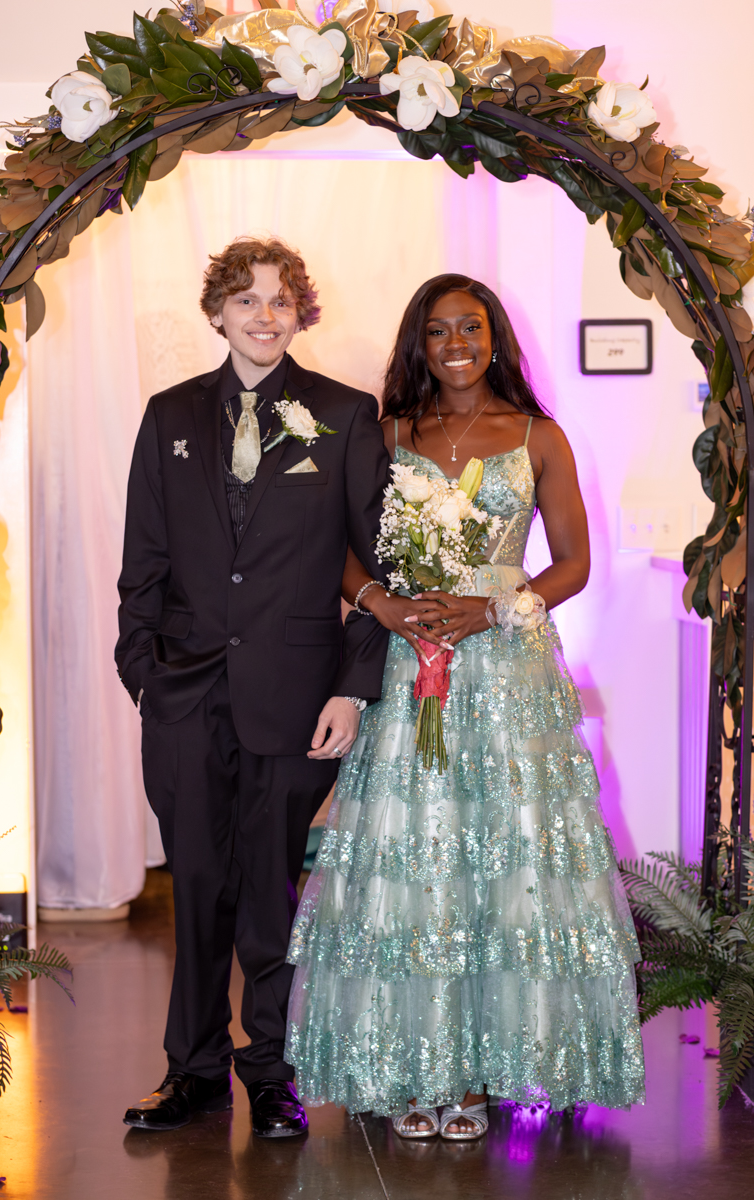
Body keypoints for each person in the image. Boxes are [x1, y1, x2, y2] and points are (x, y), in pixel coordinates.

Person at [284, 274, 645, 1140]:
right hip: (412, 662)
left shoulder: (538, 436)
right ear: (419, 341)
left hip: (508, 666)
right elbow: (339, 547)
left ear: (495, 339)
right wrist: (384, 605)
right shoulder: (386, 435)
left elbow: (572, 563)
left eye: (471, 328)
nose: (455, 343)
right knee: (418, 856)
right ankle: (417, 1065)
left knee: (504, 856)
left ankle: (479, 1076)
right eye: (438, 329)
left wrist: (492, 608)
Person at [115, 237, 391, 1138]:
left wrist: (352, 688)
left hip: (297, 695)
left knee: (270, 892)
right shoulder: (169, 416)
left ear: (300, 313)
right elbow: (143, 566)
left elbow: (382, 569)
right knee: (196, 887)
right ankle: (190, 1069)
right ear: (217, 313)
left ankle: (269, 1072)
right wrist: (143, 674)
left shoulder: (346, 415)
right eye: (246, 301)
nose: (263, 316)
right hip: (186, 698)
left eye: (280, 301)